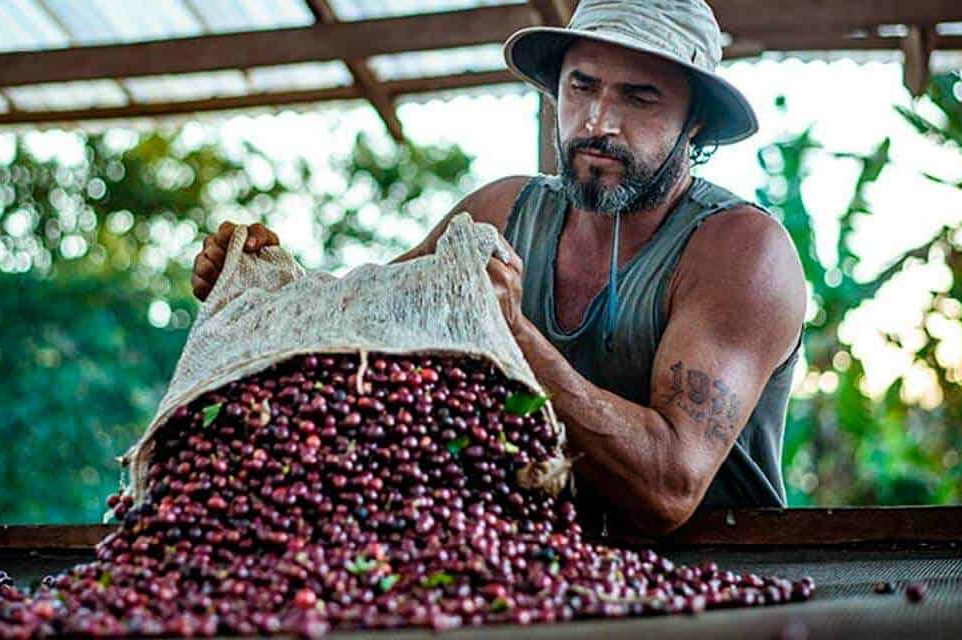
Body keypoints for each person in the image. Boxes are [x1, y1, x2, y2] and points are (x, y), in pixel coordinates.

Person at [191, 0, 806, 536]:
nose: (598, 124)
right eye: (581, 87)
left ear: (694, 120)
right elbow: (362, 332)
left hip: (720, 575)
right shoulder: (499, 214)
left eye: (639, 98)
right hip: (527, 563)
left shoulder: (741, 253)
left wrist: (515, 335)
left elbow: (668, 488)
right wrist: (264, 293)